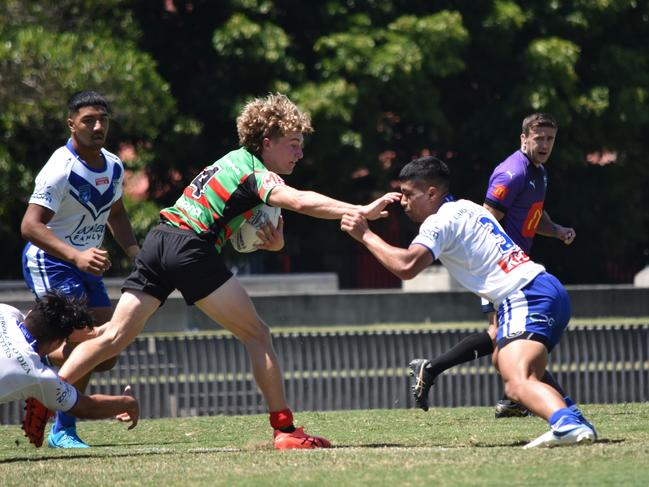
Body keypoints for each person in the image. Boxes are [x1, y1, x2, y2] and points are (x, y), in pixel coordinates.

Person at [23, 93, 401, 450]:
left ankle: (47, 396)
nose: (300, 152)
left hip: (161, 239)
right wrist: (361, 209)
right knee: (258, 334)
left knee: (112, 336)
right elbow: (301, 200)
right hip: (190, 248)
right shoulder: (257, 174)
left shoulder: (232, 161)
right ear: (266, 141)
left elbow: (255, 231)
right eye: (293, 143)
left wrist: (275, 244)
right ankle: (285, 430)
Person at [341, 156, 596, 448]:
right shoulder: (468, 207)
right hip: (544, 288)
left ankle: (566, 423)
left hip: (525, 295)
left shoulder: (439, 221)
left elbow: (407, 266)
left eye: (409, 194)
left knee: (516, 382)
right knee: (503, 357)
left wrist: (365, 235)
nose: (403, 202)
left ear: (432, 193)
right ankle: (573, 418)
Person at [409, 113, 577, 418]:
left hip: (515, 273)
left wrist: (556, 230)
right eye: (538, 138)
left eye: (550, 139)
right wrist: (493, 258)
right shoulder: (512, 173)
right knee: (505, 340)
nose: (544, 144)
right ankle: (536, 400)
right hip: (503, 272)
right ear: (523, 138)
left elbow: (534, 214)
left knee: (505, 344)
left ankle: (521, 397)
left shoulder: (539, 172)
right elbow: (486, 216)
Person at [20, 90, 140, 448]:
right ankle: (62, 428)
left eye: (103, 119)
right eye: (89, 120)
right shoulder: (60, 169)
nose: (98, 126)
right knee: (88, 342)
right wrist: (75, 255)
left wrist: (136, 253)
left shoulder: (114, 165)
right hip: (50, 261)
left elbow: (116, 215)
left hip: (85, 265)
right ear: (71, 124)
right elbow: (29, 226)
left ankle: (31, 357)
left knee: (106, 351)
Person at [1, 291, 139, 448]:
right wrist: (128, 403)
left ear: (32, 312)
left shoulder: (6, 311)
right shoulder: (39, 376)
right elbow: (87, 407)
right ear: (57, 343)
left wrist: (97, 332)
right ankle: (61, 430)